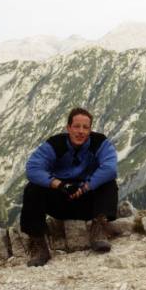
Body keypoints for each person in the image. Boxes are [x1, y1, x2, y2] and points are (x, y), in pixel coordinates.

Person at [20, 107, 119, 266]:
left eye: (85, 127)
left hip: (88, 201)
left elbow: (110, 168)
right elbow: (32, 168)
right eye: (76, 126)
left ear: (90, 129)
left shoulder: (100, 142)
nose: (81, 131)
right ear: (68, 128)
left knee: (109, 183)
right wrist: (60, 185)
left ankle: (98, 230)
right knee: (33, 189)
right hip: (61, 199)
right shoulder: (55, 144)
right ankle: (40, 245)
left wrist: (86, 187)